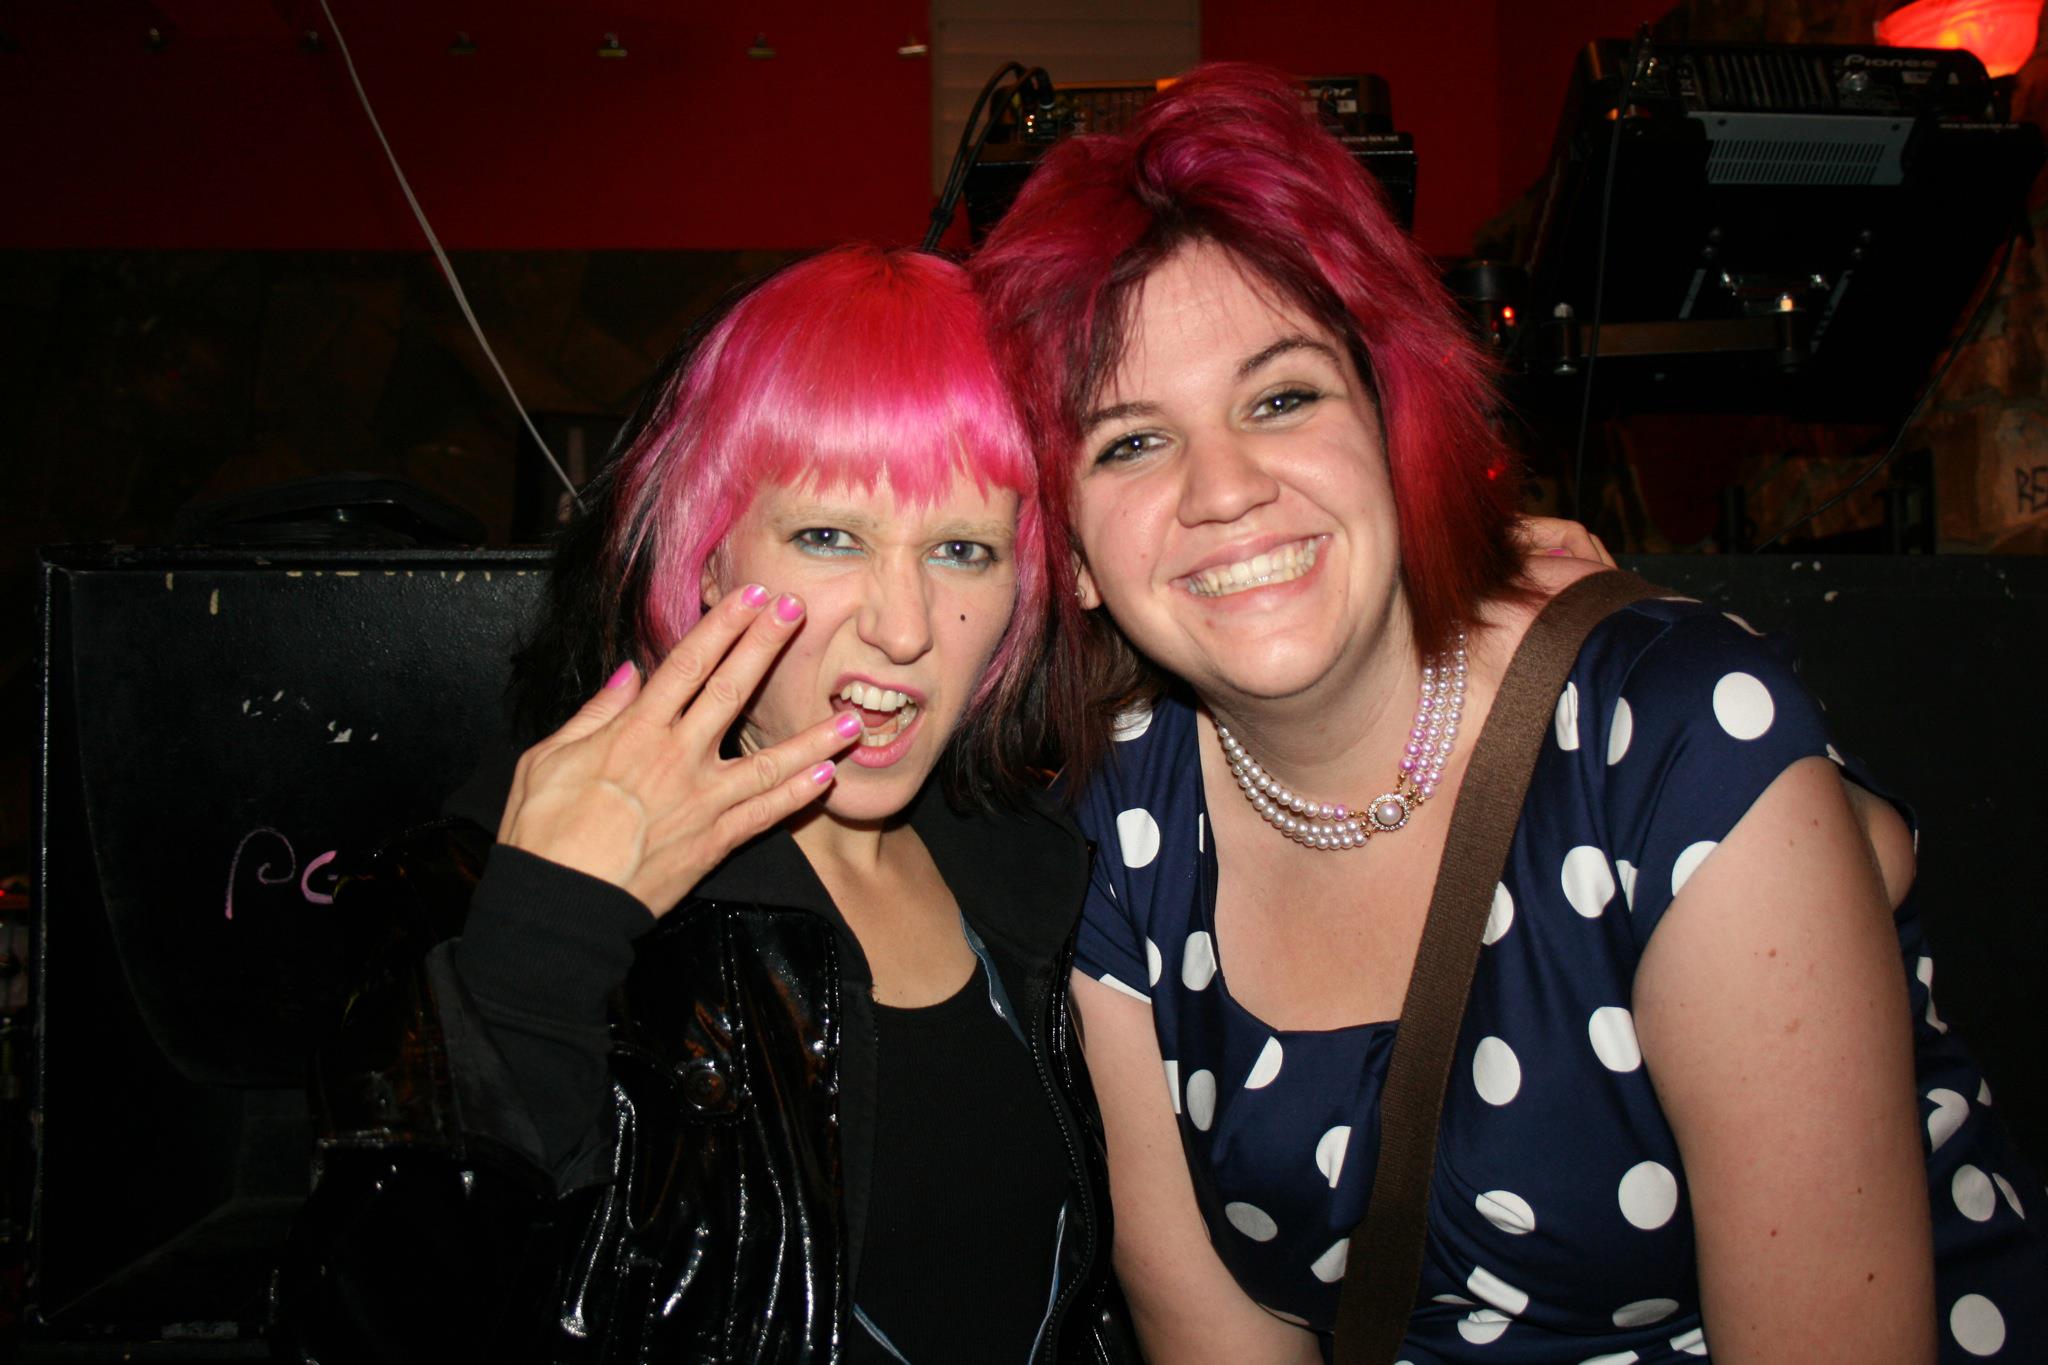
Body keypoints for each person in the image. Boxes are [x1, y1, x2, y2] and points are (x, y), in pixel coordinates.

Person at [972, 63, 2047, 1364]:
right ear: (1072, 554)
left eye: (1281, 397)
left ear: (1395, 425)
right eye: (1129, 442)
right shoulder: (1109, 839)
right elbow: (1221, 1340)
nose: (1223, 488)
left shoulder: (1668, 745)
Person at [271, 244, 1133, 1363]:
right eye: (829, 536)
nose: (904, 626)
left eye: (961, 549)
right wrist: (543, 943)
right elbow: (374, 1326)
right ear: (710, 556)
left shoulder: (1041, 867)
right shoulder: (503, 881)